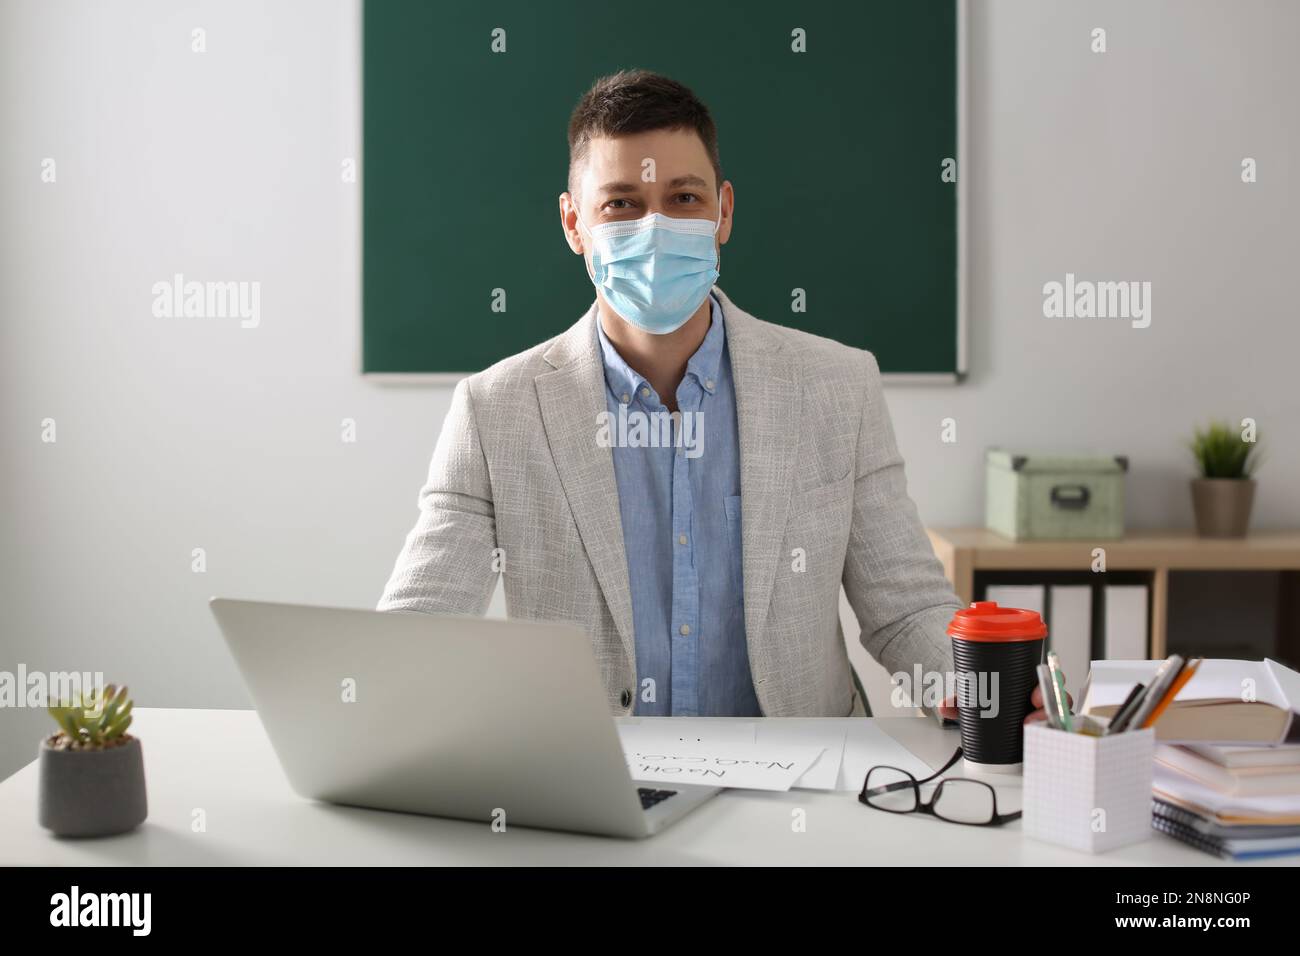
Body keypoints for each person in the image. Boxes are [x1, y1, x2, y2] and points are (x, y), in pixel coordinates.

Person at [380, 69, 1056, 723]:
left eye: (683, 198)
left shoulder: (836, 388)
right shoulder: (495, 410)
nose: (654, 227)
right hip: (594, 790)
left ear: (723, 211)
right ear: (574, 224)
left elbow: (904, 608)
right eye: (621, 203)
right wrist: (369, 699)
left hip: (801, 786)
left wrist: (978, 690)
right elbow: (421, 627)